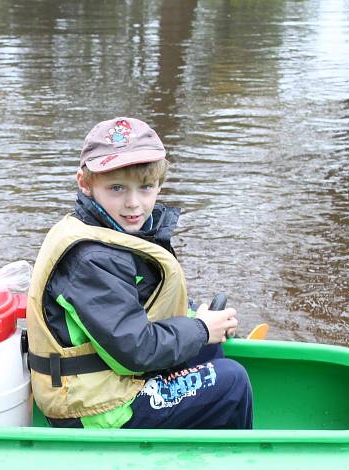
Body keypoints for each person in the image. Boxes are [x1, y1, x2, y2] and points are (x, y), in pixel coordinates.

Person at [26, 116, 252, 430]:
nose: (134, 204)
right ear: (86, 184)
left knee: (209, 349)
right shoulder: (91, 259)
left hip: (109, 379)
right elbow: (135, 351)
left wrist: (194, 319)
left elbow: (137, 308)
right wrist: (199, 329)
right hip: (95, 409)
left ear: (159, 184)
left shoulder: (111, 233)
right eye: (116, 188)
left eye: (145, 187)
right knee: (232, 382)